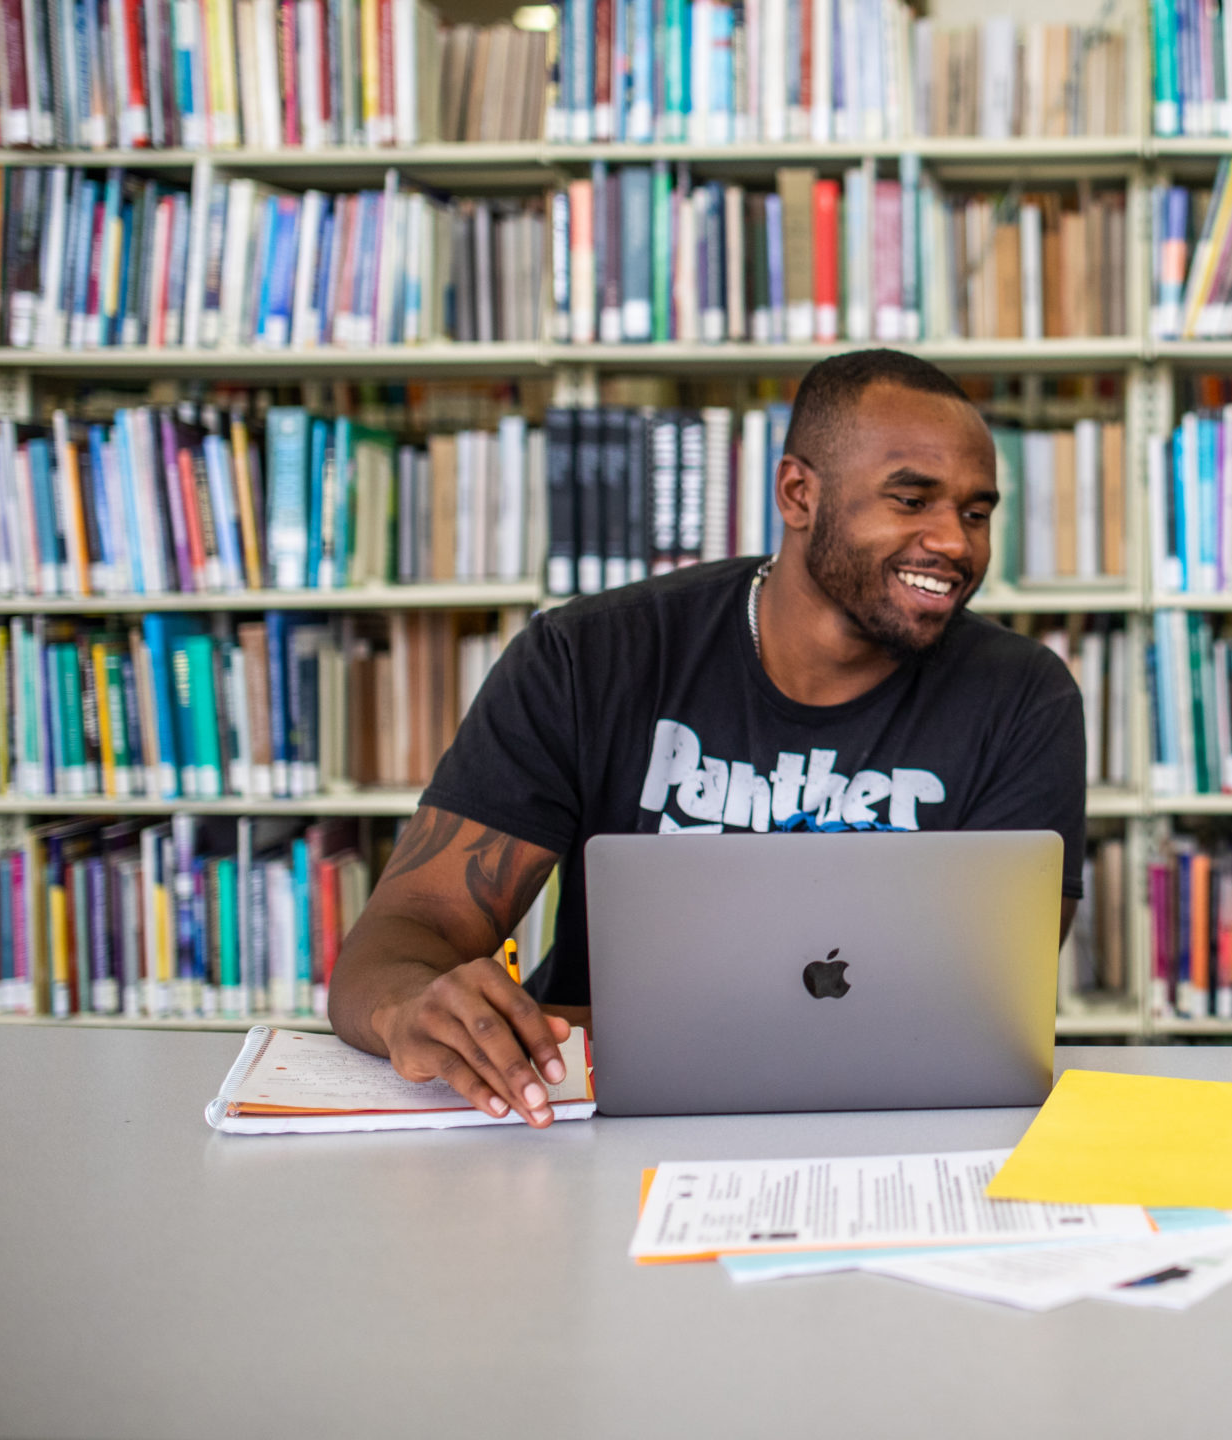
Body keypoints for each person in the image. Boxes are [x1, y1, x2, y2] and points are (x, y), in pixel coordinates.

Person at [328, 348, 1087, 1125]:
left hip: (887, 1120)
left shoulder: (1023, 697)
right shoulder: (588, 659)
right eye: (910, 499)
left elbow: (989, 1010)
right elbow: (405, 931)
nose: (956, 544)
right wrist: (409, 1008)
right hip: (595, 1113)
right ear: (799, 493)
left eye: (975, 512)